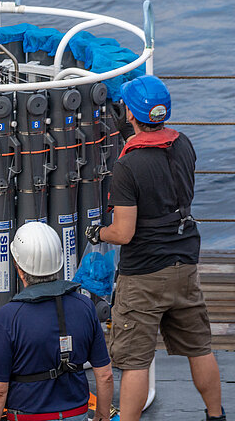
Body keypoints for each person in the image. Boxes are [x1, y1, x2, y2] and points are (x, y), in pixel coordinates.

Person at [86, 75, 226, 421]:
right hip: (184, 264)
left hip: (145, 273)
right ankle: (215, 415)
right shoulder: (184, 145)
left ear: (129, 114)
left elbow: (123, 233)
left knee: (134, 361)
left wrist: (97, 233)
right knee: (199, 348)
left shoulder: (127, 165)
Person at [0, 221, 114, 421]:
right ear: (59, 262)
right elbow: (105, 375)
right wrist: (102, 416)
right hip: (76, 414)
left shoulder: (9, 316)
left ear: (18, 267)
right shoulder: (84, 306)